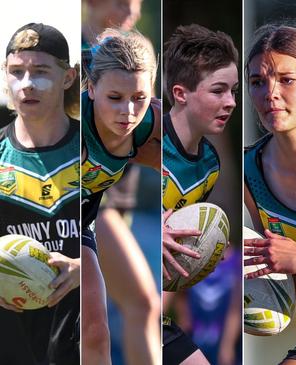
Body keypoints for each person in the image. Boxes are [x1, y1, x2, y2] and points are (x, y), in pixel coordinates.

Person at [82, 2, 161, 363]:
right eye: (121, 5)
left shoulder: (135, 61)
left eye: (136, 6)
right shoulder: (65, 64)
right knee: (130, 307)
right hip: (83, 207)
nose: (130, 15)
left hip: (106, 204)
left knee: (139, 306)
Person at [242, 24, 296, 365]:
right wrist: (255, 293)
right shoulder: (249, 173)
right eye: (257, 82)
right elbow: (290, 277)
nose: (270, 93)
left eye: (286, 80)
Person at [0, 22, 81, 365]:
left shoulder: (99, 153)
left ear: (68, 77)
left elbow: (141, 237)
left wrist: (84, 269)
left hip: (84, 337)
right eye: (16, 72)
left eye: (41, 71)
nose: (27, 84)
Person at [161, 23, 239, 365]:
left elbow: (184, 251)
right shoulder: (142, 141)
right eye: (219, 91)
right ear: (181, 93)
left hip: (154, 310)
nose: (231, 102)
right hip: (108, 300)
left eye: (234, 91)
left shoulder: (210, 165)